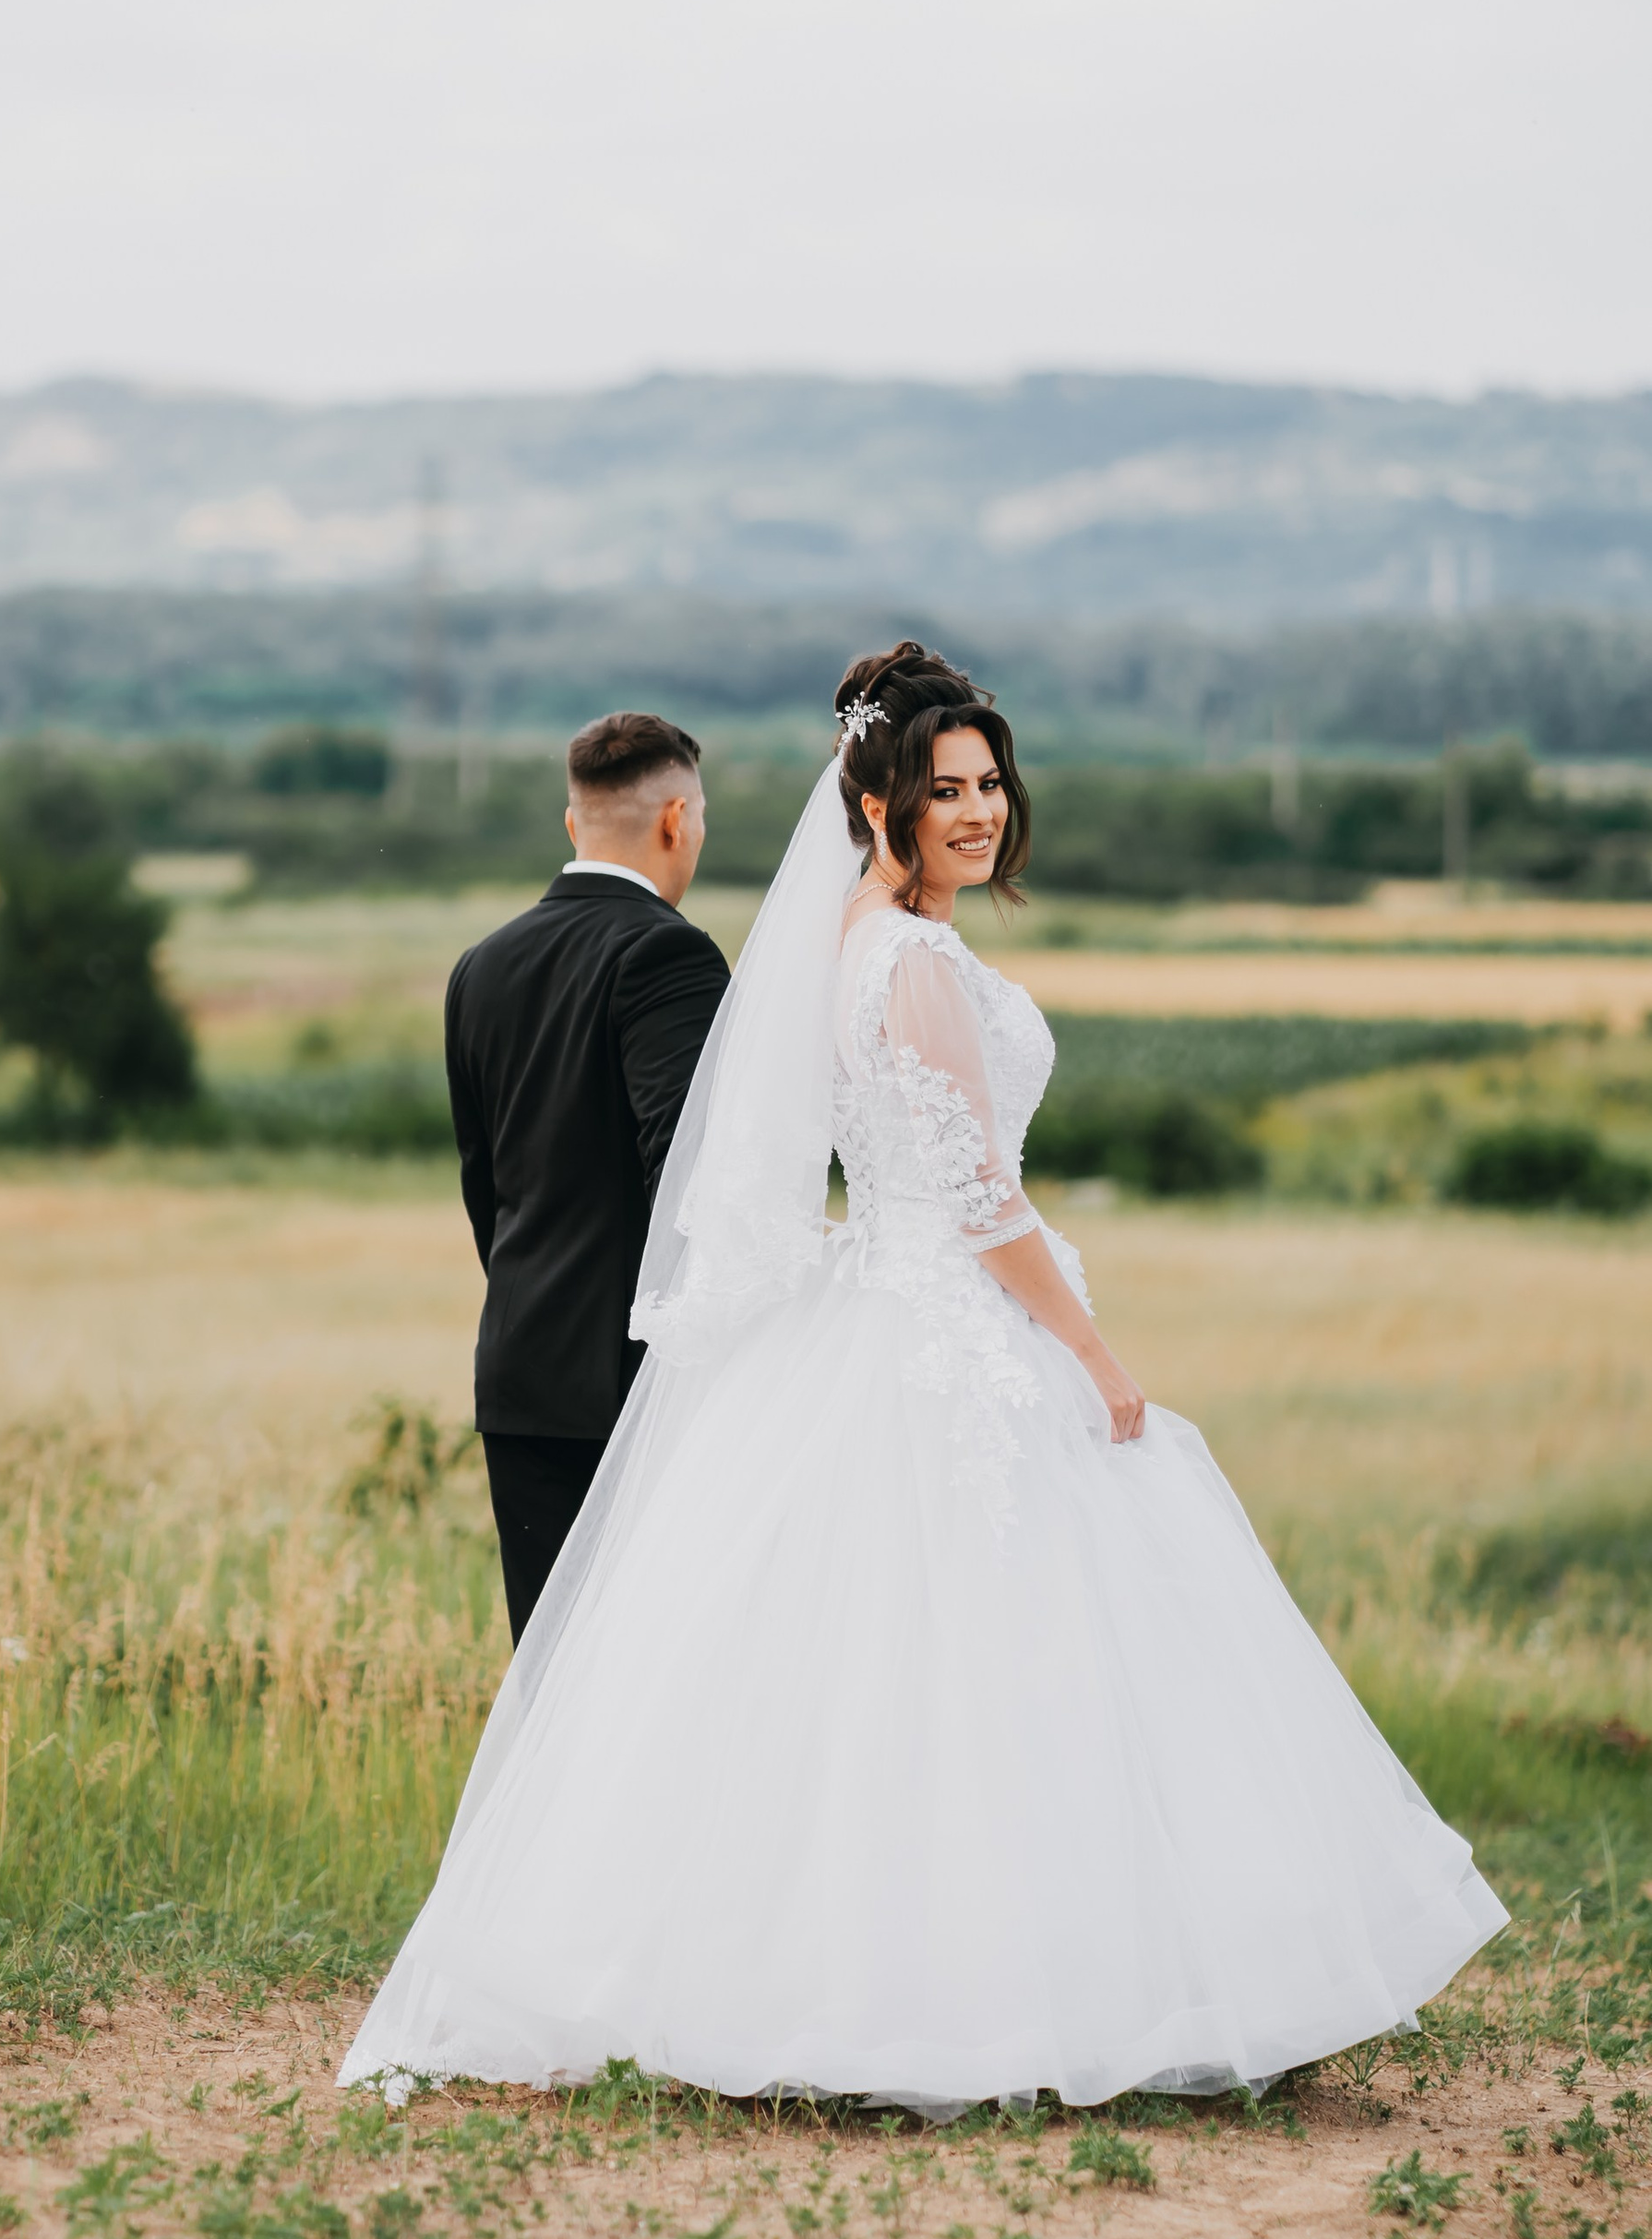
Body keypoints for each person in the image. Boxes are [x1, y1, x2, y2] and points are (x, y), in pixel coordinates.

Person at [344, 643, 1506, 2113]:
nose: (979, 809)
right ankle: (1037, 1992)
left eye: (989, 783)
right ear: (877, 806)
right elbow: (975, 1197)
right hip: (954, 1321)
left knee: (889, 1673)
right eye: (944, 789)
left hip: (881, 1310)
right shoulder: (915, 960)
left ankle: (856, 1977)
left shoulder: (841, 945)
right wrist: (1097, 1355)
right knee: (1000, 1657)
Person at [445, 711, 732, 1644]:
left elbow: (486, 1185)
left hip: (522, 1370)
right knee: (656, 1670)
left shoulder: (480, 965)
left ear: (574, 823)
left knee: (555, 1674)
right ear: (677, 819)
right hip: (636, 1384)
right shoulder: (669, 954)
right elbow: (689, 1175)